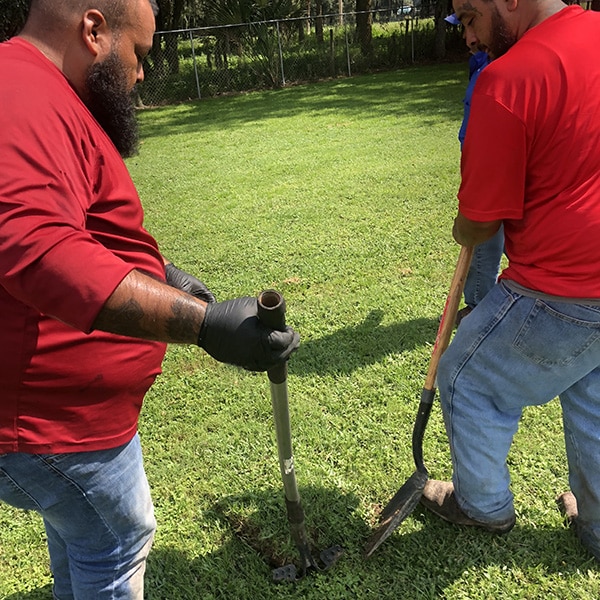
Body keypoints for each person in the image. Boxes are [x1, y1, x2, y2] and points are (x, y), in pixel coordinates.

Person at [0, 1, 300, 598]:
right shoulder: (22, 93)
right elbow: (40, 250)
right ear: (93, 30)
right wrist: (205, 325)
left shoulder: (41, 90)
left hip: (54, 419)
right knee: (114, 547)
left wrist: (159, 271)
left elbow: (72, 227)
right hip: (56, 426)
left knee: (83, 538)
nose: (140, 75)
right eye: (138, 54)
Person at [419, 0, 600, 562]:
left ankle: (483, 505)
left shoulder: (509, 79)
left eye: (470, 17)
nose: (468, 36)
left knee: (462, 378)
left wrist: (462, 221)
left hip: (563, 287)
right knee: (591, 391)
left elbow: (479, 220)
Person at [446, 13, 504, 326]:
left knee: (484, 240)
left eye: (472, 24)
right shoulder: (481, 61)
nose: (469, 38)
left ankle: (480, 304)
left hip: (491, 170)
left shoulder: (503, 68)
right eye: (463, 27)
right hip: (474, 158)